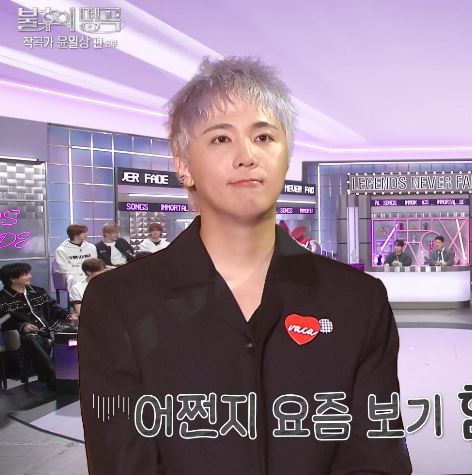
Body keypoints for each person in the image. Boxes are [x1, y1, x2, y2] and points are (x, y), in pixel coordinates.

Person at [79, 57, 411, 474]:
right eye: (221, 138)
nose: (247, 156)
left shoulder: (358, 300)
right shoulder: (119, 301)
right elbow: (121, 461)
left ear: (286, 157)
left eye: (264, 137)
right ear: (183, 164)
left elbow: (376, 457)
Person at [0, 262, 78, 389]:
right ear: (12, 279)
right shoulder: (2, 299)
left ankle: (83, 371)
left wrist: (68, 315)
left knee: (77, 332)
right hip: (26, 335)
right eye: (25, 274)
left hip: (50, 327)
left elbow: (53, 308)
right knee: (33, 340)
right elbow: (3, 321)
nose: (30, 276)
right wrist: (22, 326)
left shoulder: (38, 291)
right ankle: (52, 379)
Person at [54, 223, 98, 289]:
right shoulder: (61, 250)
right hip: (72, 274)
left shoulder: (91, 247)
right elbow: (64, 268)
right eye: (84, 232)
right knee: (74, 279)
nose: (87, 234)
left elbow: (94, 263)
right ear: (76, 234)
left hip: (90, 272)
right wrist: (83, 271)